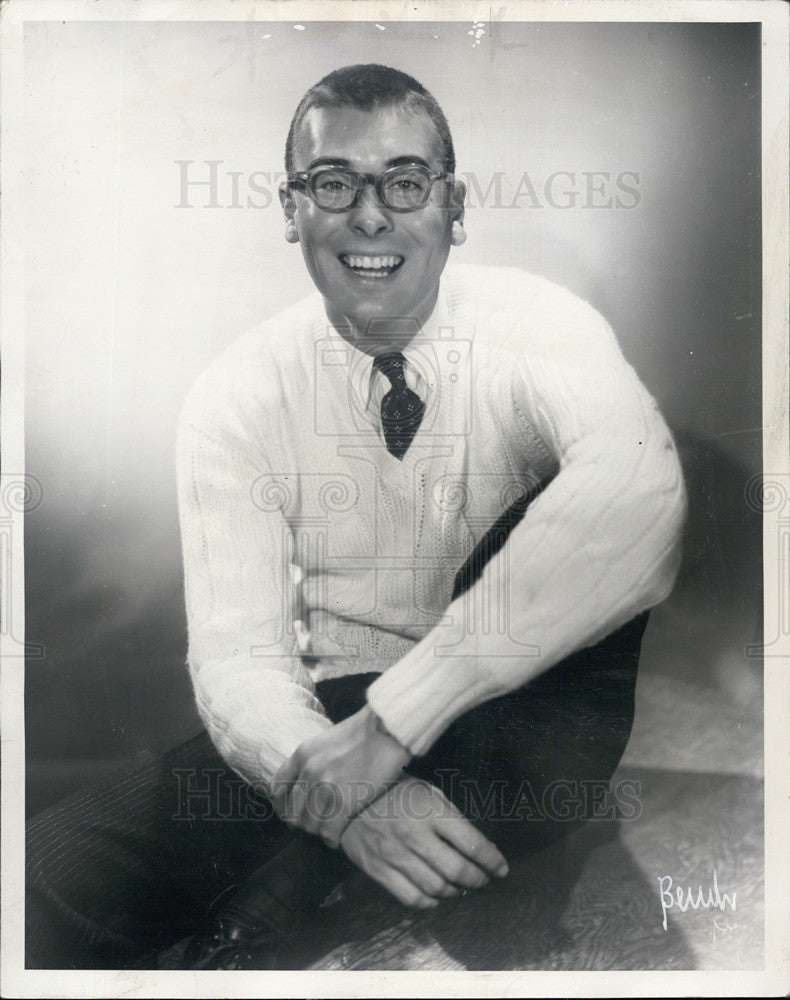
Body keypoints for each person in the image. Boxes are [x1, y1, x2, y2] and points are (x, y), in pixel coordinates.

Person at [26, 63, 686, 971]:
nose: (370, 216)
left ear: (453, 205)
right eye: (334, 183)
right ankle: (327, 881)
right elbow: (238, 657)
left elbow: (641, 501)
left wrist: (394, 734)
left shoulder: (539, 323)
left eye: (405, 182)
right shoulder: (236, 391)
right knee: (48, 878)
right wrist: (351, 787)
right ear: (289, 207)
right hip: (333, 724)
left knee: (566, 515)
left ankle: (275, 910)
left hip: (517, 710)